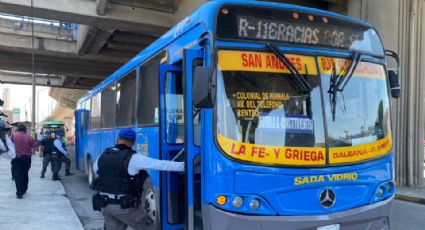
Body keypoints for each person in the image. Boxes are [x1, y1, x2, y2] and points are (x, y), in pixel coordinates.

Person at [93, 128, 184, 230]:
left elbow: (97, 172)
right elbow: (162, 165)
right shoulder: (134, 158)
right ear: (133, 142)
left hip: (105, 205)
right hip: (125, 207)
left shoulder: (102, 155)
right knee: (148, 227)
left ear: (117, 139)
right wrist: (187, 164)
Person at [11, 124, 36, 199]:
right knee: (25, 173)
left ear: (18, 129)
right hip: (27, 158)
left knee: (17, 175)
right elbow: (33, 147)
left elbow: (9, 145)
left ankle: (19, 193)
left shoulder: (13, 137)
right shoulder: (30, 138)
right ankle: (24, 189)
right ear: (25, 130)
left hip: (16, 158)